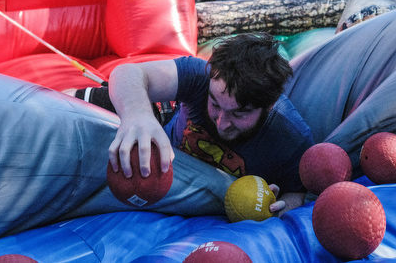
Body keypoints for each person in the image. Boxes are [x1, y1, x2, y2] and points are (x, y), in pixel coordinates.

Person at [69, 33, 314, 215]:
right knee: (73, 102)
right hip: (160, 125)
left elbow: (298, 192)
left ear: (269, 106)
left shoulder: (290, 137)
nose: (222, 123)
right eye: (215, 104)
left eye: (239, 114)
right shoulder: (200, 76)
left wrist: (283, 209)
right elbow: (127, 73)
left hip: (205, 193)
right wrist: (137, 114)